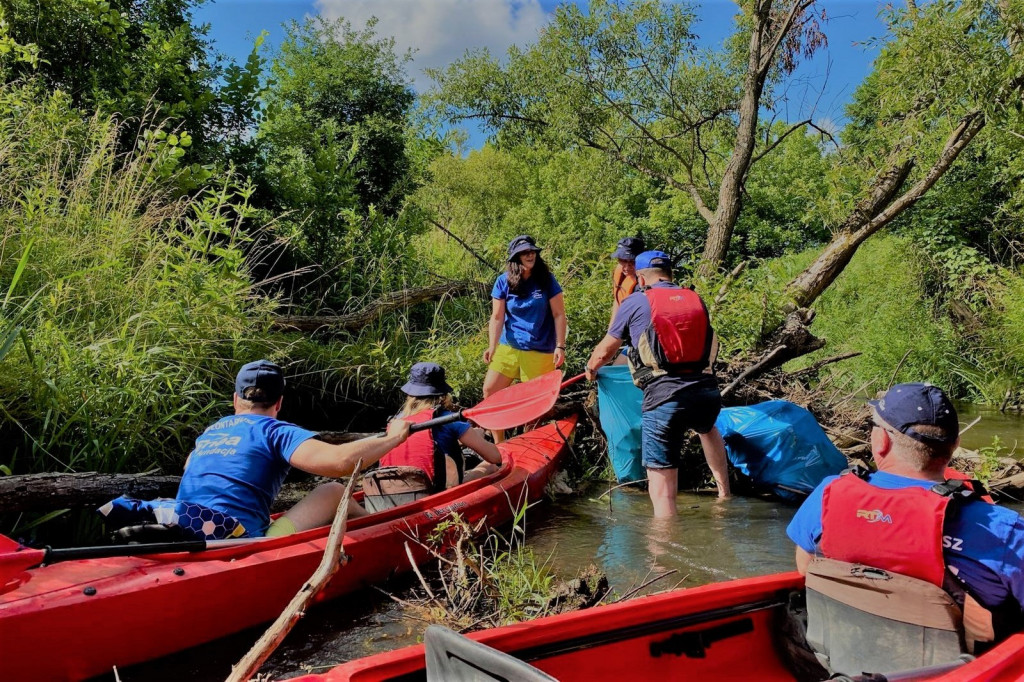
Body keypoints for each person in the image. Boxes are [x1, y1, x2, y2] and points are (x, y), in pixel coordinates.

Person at [787, 383, 1024, 673]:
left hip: (839, 662)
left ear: (882, 441)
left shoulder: (827, 494)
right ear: (955, 444)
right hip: (951, 673)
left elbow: (804, 569)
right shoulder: (1000, 528)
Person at [175, 360, 412, 538]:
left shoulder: (211, 431)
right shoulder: (276, 431)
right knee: (333, 491)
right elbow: (341, 463)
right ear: (279, 403)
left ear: (236, 400)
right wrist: (394, 437)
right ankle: (383, 530)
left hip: (184, 529)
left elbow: (190, 467)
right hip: (239, 540)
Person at [585, 250, 731, 517]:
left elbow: (606, 350)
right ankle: (724, 496)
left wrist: (591, 369)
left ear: (641, 278)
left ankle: (665, 548)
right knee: (708, 429)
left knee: (663, 491)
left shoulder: (636, 300)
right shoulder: (694, 297)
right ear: (670, 274)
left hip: (664, 397)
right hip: (706, 391)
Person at [483, 234, 567, 441]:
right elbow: (497, 316)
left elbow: (559, 314)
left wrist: (560, 346)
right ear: (516, 257)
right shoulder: (503, 281)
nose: (530, 255)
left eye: (532, 251)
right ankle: (499, 444)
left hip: (539, 348)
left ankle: (527, 443)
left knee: (533, 404)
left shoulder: (547, 280)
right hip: (509, 346)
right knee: (490, 390)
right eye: (524, 252)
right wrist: (492, 346)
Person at [379, 362, 503, 487]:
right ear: (443, 394)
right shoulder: (449, 420)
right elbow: (495, 457)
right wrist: (477, 435)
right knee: (491, 466)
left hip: (394, 490)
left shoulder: (395, 423)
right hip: (438, 491)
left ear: (410, 394)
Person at [610, 236, 644, 365]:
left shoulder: (643, 286)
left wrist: (605, 352)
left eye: (632, 262)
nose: (626, 267)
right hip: (632, 341)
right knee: (615, 369)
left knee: (616, 372)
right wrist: (610, 333)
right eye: (622, 260)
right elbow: (618, 301)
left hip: (646, 343)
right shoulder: (622, 276)